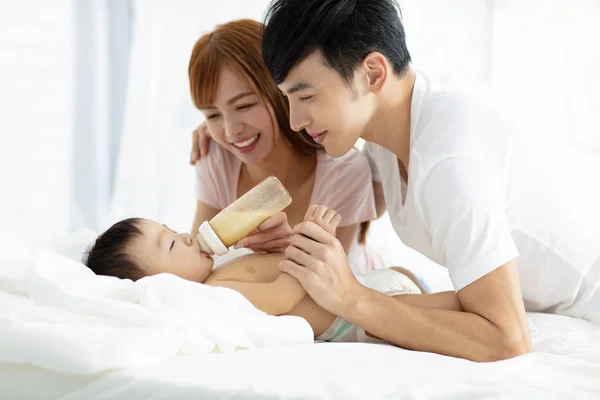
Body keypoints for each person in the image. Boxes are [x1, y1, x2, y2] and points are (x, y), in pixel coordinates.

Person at [254, 0, 600, 362]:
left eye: (306, 95)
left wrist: (353, 298)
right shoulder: (387, 133)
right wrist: (292, 237)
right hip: (554, 307)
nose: (294, 120)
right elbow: (342, 207)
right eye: (288, 98)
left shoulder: (450, 157)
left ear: (373, 73)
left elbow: (506, 340)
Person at [186, 19, 387, 275]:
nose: (230, 131)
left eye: (244, 106)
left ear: (283, 92)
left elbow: (325, 290)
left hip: (359, 289)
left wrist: (284, 248)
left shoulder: (343, 172)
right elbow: (194, 264)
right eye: (212, 115)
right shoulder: (216, 158)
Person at [83, 205, 428, 343]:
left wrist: (271, 244)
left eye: (172, 230)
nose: (186, 236)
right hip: (357, 317)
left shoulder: (219, 267)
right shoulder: (217, 293)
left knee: (443, 298)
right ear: (162, 285)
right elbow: (283, 296)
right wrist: (309, 241)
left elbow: (272, 270)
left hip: (370, 287)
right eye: (171, 245)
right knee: (456, 311)